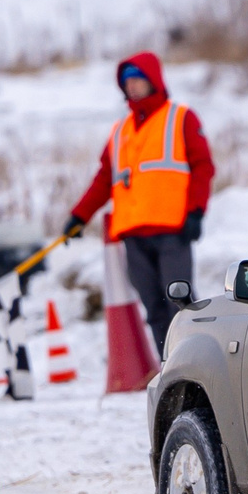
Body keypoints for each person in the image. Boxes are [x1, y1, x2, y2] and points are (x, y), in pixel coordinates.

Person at [65, 51, 213, 356]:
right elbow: (105, 178)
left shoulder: (180, 118)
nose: (131, 87)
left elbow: (203, 166)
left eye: (137, 80)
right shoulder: (121, 131)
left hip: (172, 230)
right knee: (154, 309)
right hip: (134, 234)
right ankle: (169, 369)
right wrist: (79, 216)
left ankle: (197, 363)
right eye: (126, 82)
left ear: (153, 80)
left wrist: (196, 211)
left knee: (180, 304)